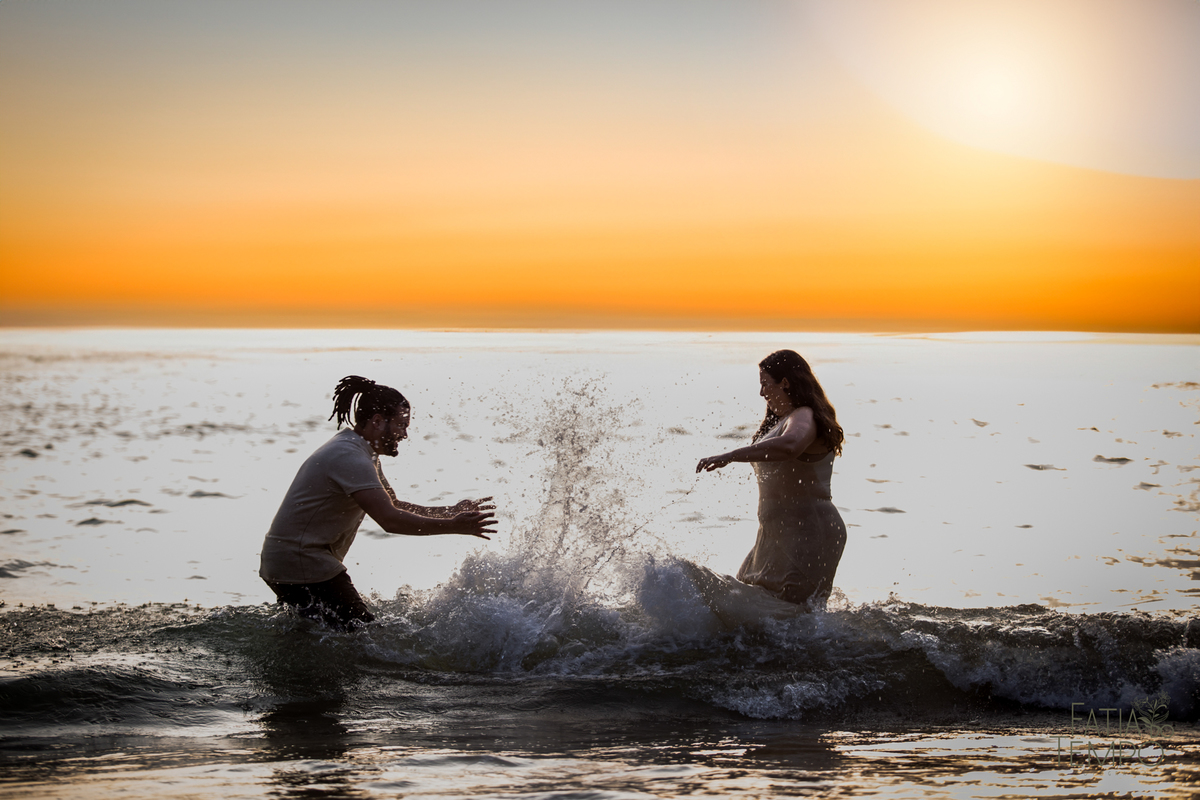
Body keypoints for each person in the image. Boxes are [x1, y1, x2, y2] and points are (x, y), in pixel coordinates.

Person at [259, 375, 496, 628]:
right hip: (304, 561)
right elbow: (389, 520)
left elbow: (393, 505)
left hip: (286, 560)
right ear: (377, 421)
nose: (404, 434)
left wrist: (450, 512)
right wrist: (454, 527)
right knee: (364, 634)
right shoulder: (350, 457)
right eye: (401, 425)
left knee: (315, 633)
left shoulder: (361, 452)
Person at [696, 350, 846, 610]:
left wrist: (731, 455)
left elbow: (791, 446)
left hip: (808, 534)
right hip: (775, 534)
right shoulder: (784, 421)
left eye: (765, 383)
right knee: (743, 602)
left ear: (785, 383)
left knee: (795, 620)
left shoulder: (804, 415)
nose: (762, 393)